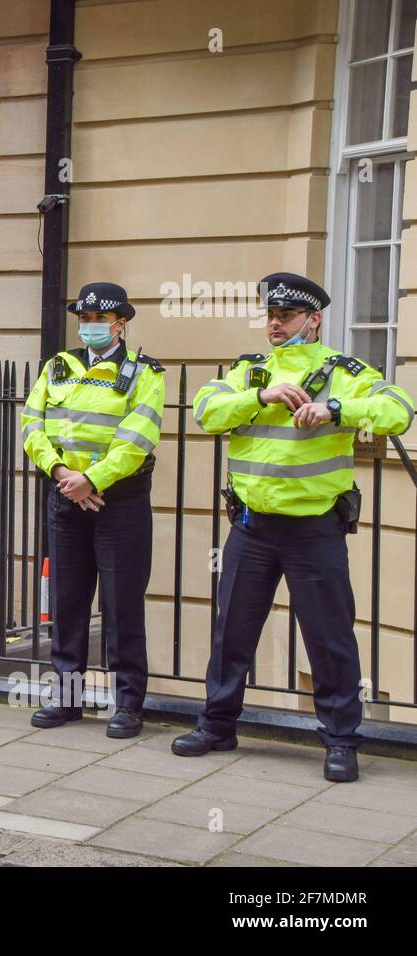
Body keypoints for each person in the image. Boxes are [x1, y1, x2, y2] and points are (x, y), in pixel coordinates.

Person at [173, 273, 414, 782]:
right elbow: (206, 411)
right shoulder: (248, 370)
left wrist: (335, 408)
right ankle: (217, 725)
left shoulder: (342, 371)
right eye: (271, 315)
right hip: (250, 528)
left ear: (313, 319)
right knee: (231, 633)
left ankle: (341, 741)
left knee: (329, 639)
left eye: (285, 315)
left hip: (313, 531)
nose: (275, 323)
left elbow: (398, 410)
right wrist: (259, 399)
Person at [21, 281, 166, 738]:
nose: (90, 327)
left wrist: (94, 480)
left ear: (120, 324)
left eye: (99, 320)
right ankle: (66, 698)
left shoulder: (145, 373)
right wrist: (63, 474)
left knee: (122, 604)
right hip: (65, 494)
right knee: (67, 600)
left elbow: (137, 438)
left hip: (118, 501)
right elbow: (31, 425)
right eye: (84, 319)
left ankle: (127, 705)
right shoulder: (57, 367)